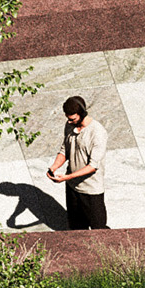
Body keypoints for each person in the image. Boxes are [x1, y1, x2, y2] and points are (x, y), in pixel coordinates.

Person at [47, 95, 108, 230]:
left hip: (91, 190)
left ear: (82, 114)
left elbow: (93, 166)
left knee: (99, 229)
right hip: (72, 188)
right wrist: (54, 167)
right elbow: (65, 150)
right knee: (76, 229)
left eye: (73, 119)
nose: (69, 122)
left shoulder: (97, 132)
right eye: (68, 118)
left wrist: (67, 177)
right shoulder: (70, 126)